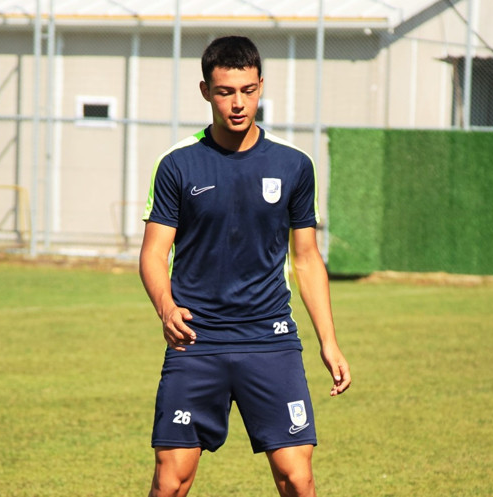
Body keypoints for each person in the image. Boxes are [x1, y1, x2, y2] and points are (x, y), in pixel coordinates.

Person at [139, 35, 351, 497]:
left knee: (297, 477)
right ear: (205, 91)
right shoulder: (177, 165)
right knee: (170, 481)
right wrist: (166, 308)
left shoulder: (294, 164)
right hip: (198, 340)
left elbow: (307, 258)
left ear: (261, 87)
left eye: (248, 90)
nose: (238, 103)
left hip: (269, 340)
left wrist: (329, 343)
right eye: (225, 91)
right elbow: (154, 253)